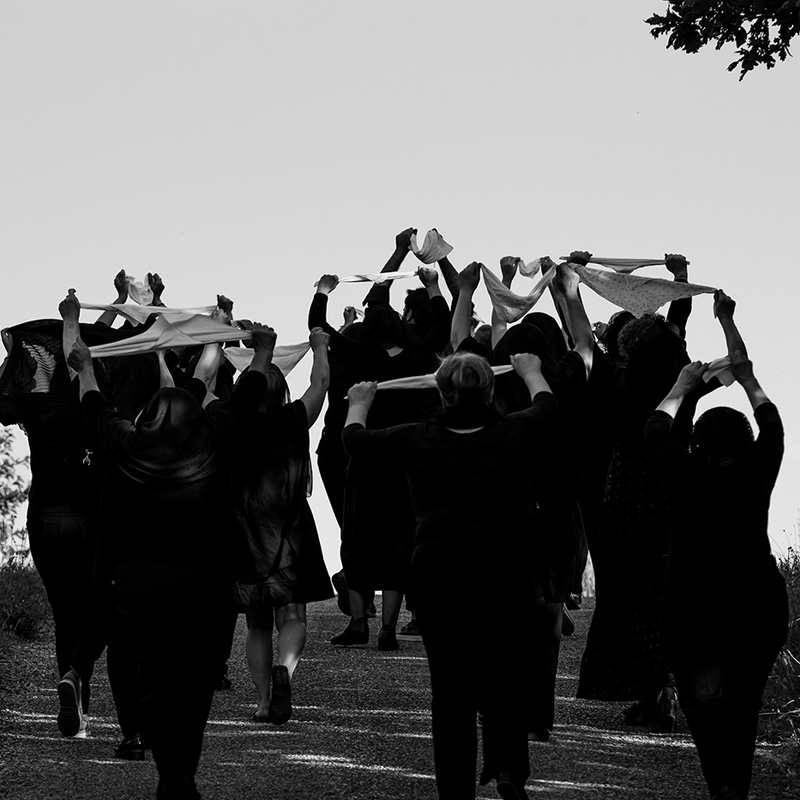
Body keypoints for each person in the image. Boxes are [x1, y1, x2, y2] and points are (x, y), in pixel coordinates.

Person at [63, 285, 274, 800]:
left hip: (141, 583)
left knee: (154, 678)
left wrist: (85, 365)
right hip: (206, 582)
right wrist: (262, 351)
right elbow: (247, 395)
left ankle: (169, 774)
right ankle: (183, 775)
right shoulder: (213, 438)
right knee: (197, 680)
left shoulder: (128, 443)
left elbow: (93, 406)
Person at [343, 350, 557, 800]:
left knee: (451, 686)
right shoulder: (513, 431)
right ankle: (508, 766)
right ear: (490, 391)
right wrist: (532, 372)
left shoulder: (416, 438)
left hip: (441, 570)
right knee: (507, 671)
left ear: (441, 393)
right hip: (505, 566)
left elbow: (356, 441)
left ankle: (456, 792)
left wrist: (359, 402)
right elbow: (546, 407)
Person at [643, 292, 788, 800]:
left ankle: (720, 786)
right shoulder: (759, 467)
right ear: (747, 441)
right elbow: (770, 417)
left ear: (696, 443)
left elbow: (655, 428)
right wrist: (744, 372)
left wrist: (681, 387)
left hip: (692, 606)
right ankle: (735, 789)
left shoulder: (682, 471)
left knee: (703, 704)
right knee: (744, 704)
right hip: (756, 603)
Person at [230, 327, 334, 723]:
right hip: (291, 529)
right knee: (292, 616)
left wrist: (220, 335)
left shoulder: (229, 425)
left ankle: (261, 702)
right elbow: (320, 383)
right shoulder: (294, 418)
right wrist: (320, 347)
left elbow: (202, 383)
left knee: (256, 624)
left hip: (245, 532)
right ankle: (284, 673)